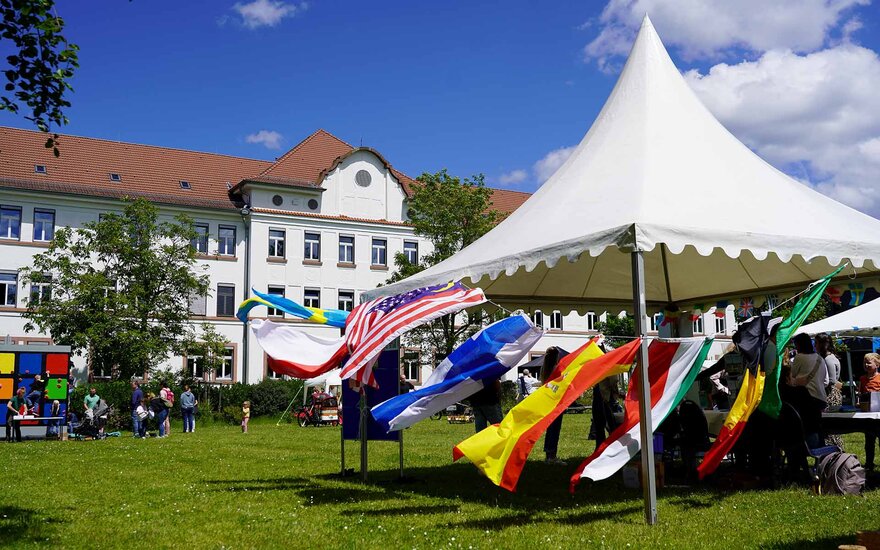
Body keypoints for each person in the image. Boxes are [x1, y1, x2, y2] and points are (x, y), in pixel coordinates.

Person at [788, 333, 827, 449]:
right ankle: (821, 449)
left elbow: (792, 375)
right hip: (821, 398)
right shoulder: (820, 358)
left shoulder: (799, 357)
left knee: (808, 427)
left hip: (806, 397)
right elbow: (826, 380)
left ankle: (810, 449)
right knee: (817, 425)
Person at [815, 333, 844, 448]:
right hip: (831, 394)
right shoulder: (831, 357)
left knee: (830, 430)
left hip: (830, 396)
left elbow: (831, 380)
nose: (815, 346)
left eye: (816, 343)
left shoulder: (828, 359)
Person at [540, 348, 565, 464]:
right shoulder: (556, 369)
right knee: (555, 428)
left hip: (549, 401)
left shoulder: (544, 369)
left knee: (551, 428)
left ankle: (549, 454)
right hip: (557, 402)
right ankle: (552, 456)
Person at [859, 353, 880, 470]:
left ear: (877, 364)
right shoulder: (862, 379)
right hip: (868, 415)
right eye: (864, 363)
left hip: (878, 414)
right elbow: (860, 394)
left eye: (869, 363)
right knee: (869, 441)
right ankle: (869, 463)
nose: (866, 365)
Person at [590, 375, 621, 449]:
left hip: (603, 391)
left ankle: (603, 444)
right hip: (604, 391)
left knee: (601, 420)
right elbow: (614, 379)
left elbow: (613, 379)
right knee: (603, 419)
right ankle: (606, 443)